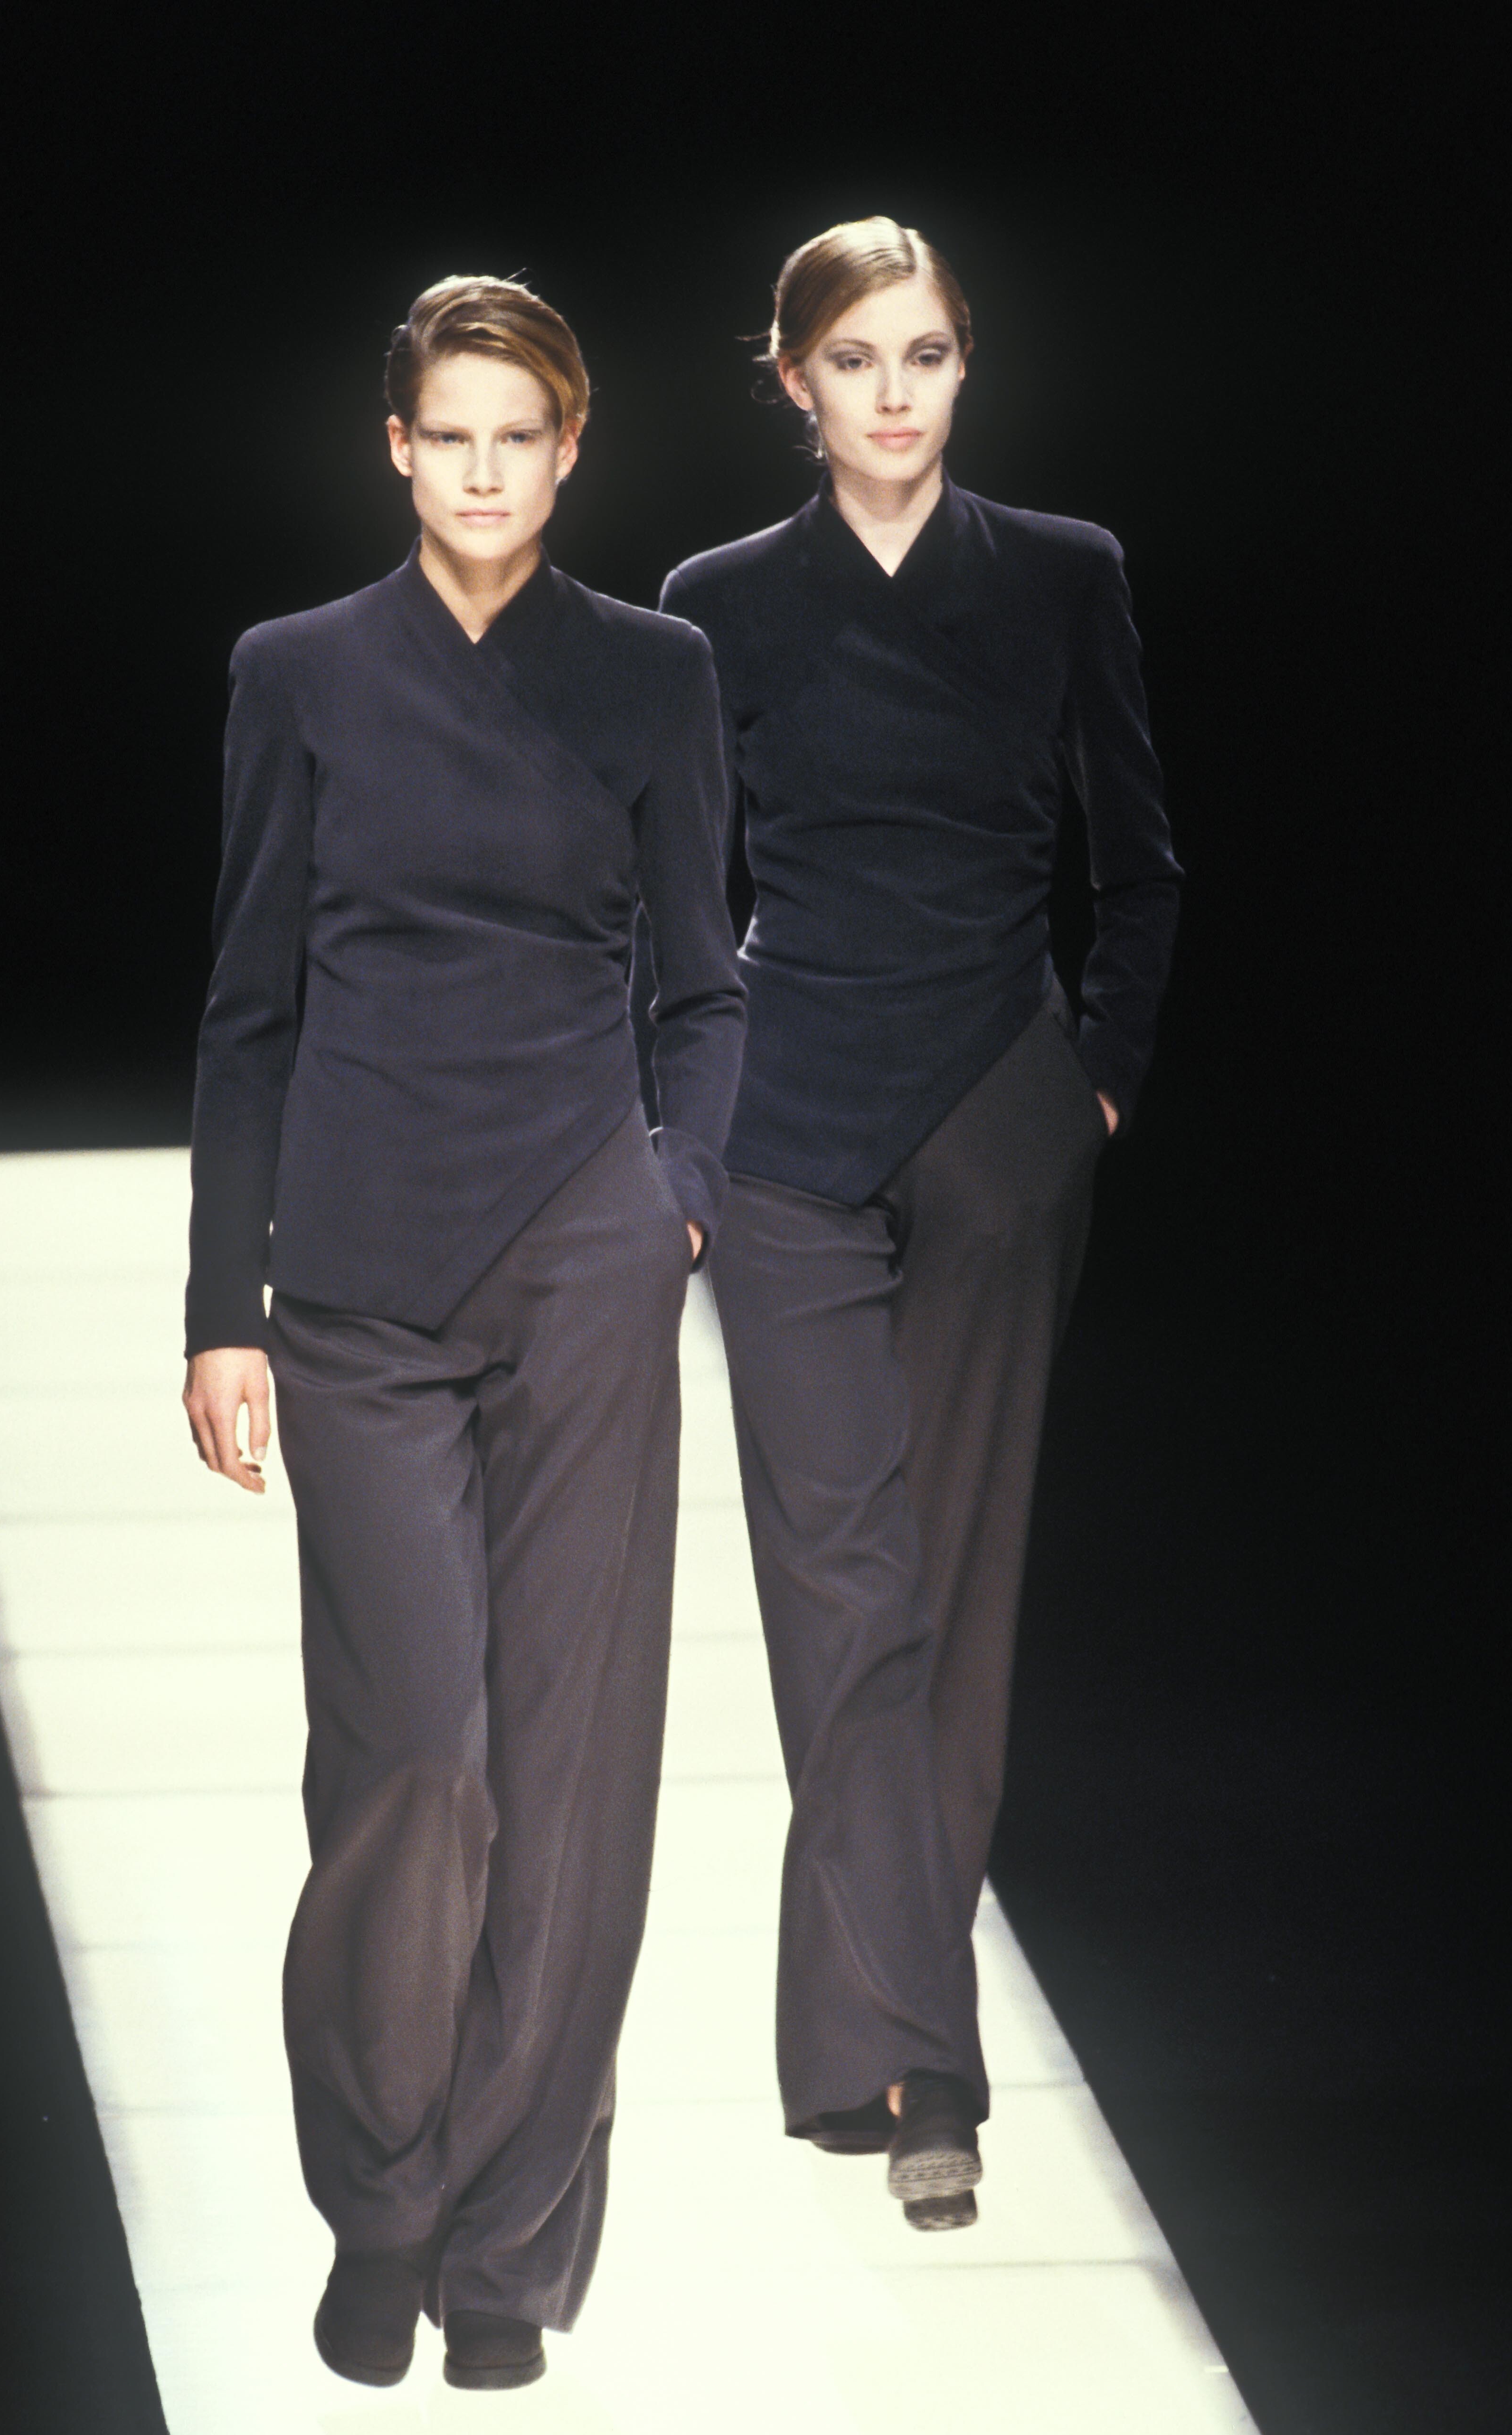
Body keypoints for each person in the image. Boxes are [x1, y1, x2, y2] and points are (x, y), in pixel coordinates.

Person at [180, 275, 744, 2390]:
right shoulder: (301, 673)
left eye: (524, 436)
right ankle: (382, 2198)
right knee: (415, 1760)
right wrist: (218, 1306)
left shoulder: (656, 674)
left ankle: (506, 2247)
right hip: (353, 1278)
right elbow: (246, 1006)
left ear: (569, 449)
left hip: (586, 1255)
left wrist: (679, 1198)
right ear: (397, 447)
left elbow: (706, 979)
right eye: (453, 435)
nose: (487, 470)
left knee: (574, 1775)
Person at [653, 216, 1181, 2230]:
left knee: (952, 1590)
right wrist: (681, 1128)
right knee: (842, 1590)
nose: (895, 392)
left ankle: (883, 2056)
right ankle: (924, 2060)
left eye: (928, 354)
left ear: (966, 368)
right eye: (857, 358)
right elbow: (671, 898)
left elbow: (1141, 859)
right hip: (786, 1130)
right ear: (794, 379)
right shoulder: (715, 607)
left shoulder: (1060, 573)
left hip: (994, 1120)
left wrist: (1093, 1077)